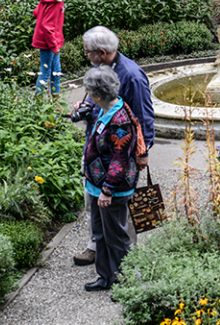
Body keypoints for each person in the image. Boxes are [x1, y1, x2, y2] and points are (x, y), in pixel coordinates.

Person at [73, 25, 155, 266]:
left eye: (87, 52)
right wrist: (85, 106)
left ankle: (127, 258)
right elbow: (100, 102)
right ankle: (97, 247)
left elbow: (144, 116)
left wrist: (143, 152)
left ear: (101, 51)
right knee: (93, 201)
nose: (86, 56)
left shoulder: (131, 75)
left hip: (120, 152)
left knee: (123, 206)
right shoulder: (101, 68)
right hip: (98, 149)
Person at [81, 66, 144, 291]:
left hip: (112, 190)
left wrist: (107, 190)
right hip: (97, 185)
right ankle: (106, 277)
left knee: (117, 238)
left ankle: (125, 282)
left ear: (98, 95)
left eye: (89, 92)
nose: (88, 96)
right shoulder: (105, 109)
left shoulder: (119, 119)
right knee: (101, 233)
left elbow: (120, 160)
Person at [32, 0, 79, 96]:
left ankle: (56, 105)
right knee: (46, 72)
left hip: (52, 41)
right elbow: (47, 27)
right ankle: (37, 106)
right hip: (49, 43)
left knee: (56, 71)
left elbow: (36, 13)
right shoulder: (55, 2)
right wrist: (54, 46)